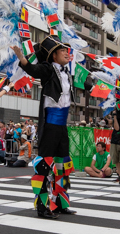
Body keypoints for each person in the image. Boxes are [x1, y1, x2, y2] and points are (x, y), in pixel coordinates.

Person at [13, 36, 78, 219]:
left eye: (67, 50)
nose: (66, 52)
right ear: (54, 56)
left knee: (62, 166)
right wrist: (21, 56)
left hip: (62, 126)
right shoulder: (49, 70)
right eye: (62, 50)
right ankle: (42, 207)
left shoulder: (67, 72)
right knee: (43, 167)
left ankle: (60, 203)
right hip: (49, 125)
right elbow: (33, 70)